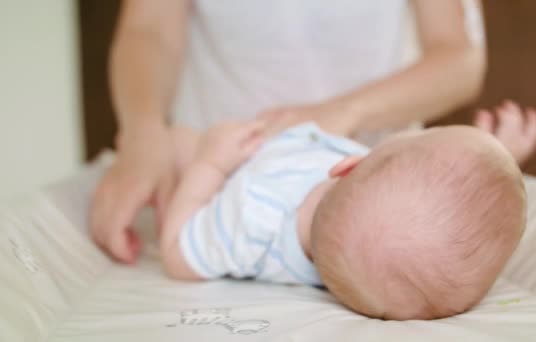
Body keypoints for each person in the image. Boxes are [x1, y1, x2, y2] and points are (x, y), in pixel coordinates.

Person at [92, 0, 490, 263]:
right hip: (217, 177)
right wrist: (143, 133)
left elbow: (459, 58)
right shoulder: (215, 212)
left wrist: (341, 113)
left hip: (368, 183)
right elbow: (148, 29)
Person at [157, 104, 531, 320]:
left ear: (346, 166)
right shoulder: (365, 250)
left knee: (177, 144)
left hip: (229, 176)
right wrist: (497, 162)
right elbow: (434, 212)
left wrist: (210, 164)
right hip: (278, 149)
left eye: (418, 136)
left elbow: (177, 251)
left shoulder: (252, 218)